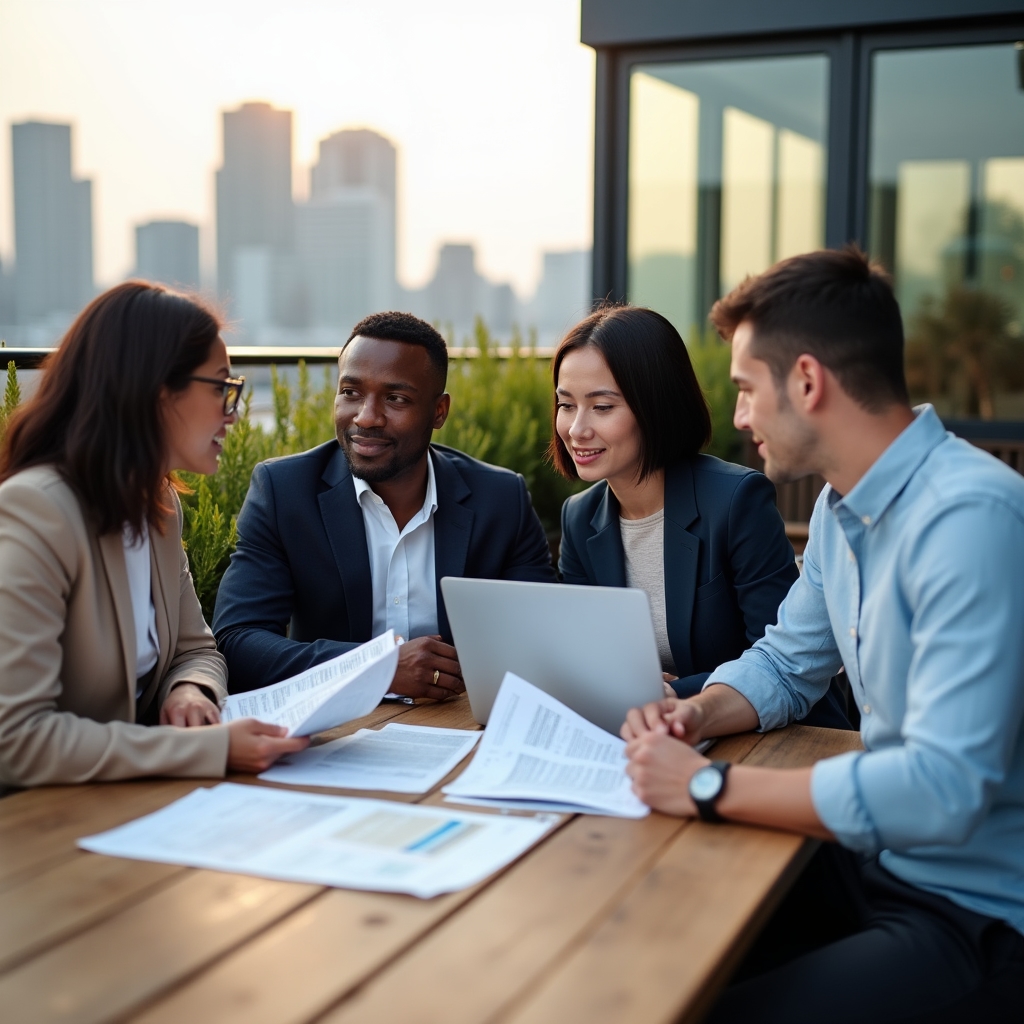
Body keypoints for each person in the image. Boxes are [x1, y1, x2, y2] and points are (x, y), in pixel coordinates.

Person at [622, 248, 1024, 1022]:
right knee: (646, 954)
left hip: (980, 915)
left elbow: (942, 789)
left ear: (807, 382)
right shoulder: (846, 515)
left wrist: (707, 784)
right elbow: (786, 661)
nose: (738, 417)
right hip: (875, 864)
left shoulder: (971, 521)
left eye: (746, 390)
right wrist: (698, 712)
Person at [0, 282, 308, 788]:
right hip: (37, 829)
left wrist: (189, 691)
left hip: (124, 803)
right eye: (221, 389)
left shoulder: (157, 509)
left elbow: (197, 651)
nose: (233, 414)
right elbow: (16, 741)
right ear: (157, 391)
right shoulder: (38, 511)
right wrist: (204, 748)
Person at [213, 311, 557, 698]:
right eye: (351, 393)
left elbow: (541, 639)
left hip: (460, 725)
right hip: (338, 731)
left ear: (438, 411)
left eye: (395, 398)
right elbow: (238, 643)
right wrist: (377, 668)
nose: (366, 417)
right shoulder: (284, 492)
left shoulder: (500, 499)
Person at [553, 304, 848, 727]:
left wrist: (677, 691)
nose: (576, 429)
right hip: (645, 733)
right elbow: (589, 657)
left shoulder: (735, 501)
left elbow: (782, 657)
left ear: (655, 406)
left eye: (601, 407)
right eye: (566, 405)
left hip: (774, 736)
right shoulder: (580, 519)